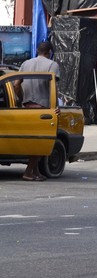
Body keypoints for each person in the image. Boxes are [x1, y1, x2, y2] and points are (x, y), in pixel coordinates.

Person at [13, 41, 60, 181]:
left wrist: (22, 99)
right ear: (49, 52)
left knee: (35, 141)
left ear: (37, 50)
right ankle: (28, 172)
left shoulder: (25, 64)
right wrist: (56, 106)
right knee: (40, 142)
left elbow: (16, 85)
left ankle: (36, 171)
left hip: (27, 108)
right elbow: (54, 88)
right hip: (43, 110)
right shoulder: (52, 65)